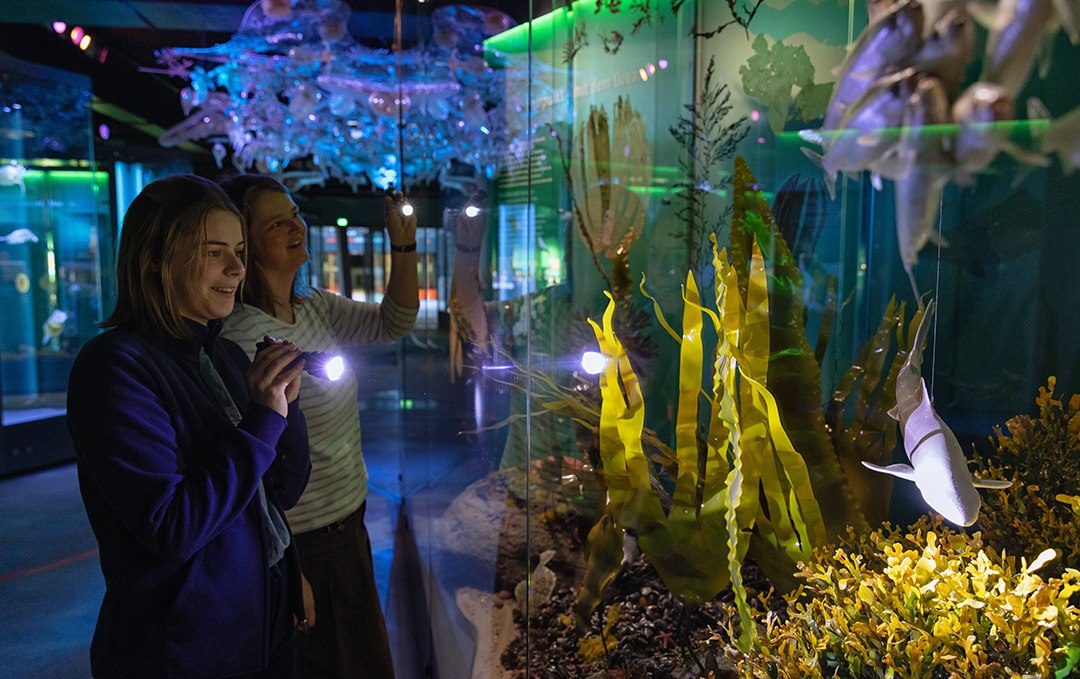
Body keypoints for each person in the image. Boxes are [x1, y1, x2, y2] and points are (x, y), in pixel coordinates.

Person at [67, 174, 312, 678]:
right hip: (184, 651)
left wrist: (286, 412)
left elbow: (279, 492)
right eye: (214, 251)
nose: (238, 268)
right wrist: (264, 419)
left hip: (263, 628)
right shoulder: (114, 367)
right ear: (154, 257)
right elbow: (172, 528)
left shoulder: (221, 353)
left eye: (240, 250)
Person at [218, 174, 420, 679]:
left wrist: (403, 241)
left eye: (295, 214)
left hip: (349, 527)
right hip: (303, 545)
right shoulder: (236, 333)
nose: (296, 226)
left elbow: (396, 320)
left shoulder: (316, 306)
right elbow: (249, 465)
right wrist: (287, 566)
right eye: (276, 222)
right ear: (244, 242)